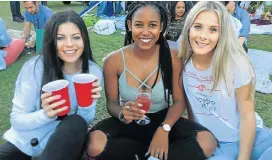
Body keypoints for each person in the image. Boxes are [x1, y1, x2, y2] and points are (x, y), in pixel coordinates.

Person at [86, 2, 217, 160]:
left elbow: (179, 101)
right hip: (130, 123)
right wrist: (122, 113)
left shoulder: (173, 57)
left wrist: (164, 129)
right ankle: (151, 155)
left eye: (153, 25)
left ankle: (145, 155)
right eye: (139, 25)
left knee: (207, 142)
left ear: (161, 27)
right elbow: (112, 103)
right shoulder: (113, 61)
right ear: (129, 25)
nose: (146, 32)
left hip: (163, 119)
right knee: (94, 143)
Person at [0, 10, 103, 160]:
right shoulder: (34, 68)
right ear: (51, 41)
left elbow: (82, 123)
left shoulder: (92, 71)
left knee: (76, 121)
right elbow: (17, 120)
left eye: (76, 37)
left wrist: (87, 104)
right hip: (25, 141)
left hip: (61, 142)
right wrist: (46, 114)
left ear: (84, 39)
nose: (69, 44)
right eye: (60, 38)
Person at [178, 1, 272, 160]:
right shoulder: (182, 61)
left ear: (223, 34)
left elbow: (247, 116)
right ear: (188, 28)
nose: (203, 36)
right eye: (198, 26)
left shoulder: (237, 65)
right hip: (213, 143)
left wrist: (243, 157)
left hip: (249, 138)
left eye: (213, 29)